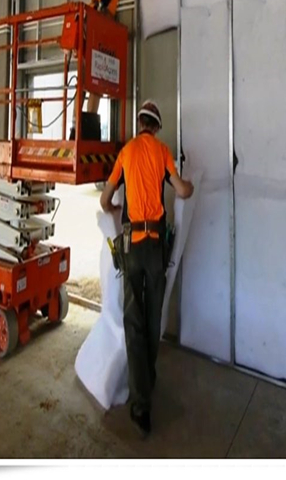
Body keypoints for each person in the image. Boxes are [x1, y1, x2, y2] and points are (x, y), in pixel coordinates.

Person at [100, 99, 193, 437]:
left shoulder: (126, 152)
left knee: (133, 319)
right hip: (155, 245)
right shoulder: (163, 152)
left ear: (140, 123)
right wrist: (190, 186)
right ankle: (147, 380)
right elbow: (182, 189)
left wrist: (112, 205)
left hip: (131, 244)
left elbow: (104, 199)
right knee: (153, 316)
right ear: (156, 126)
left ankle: (141, 407)